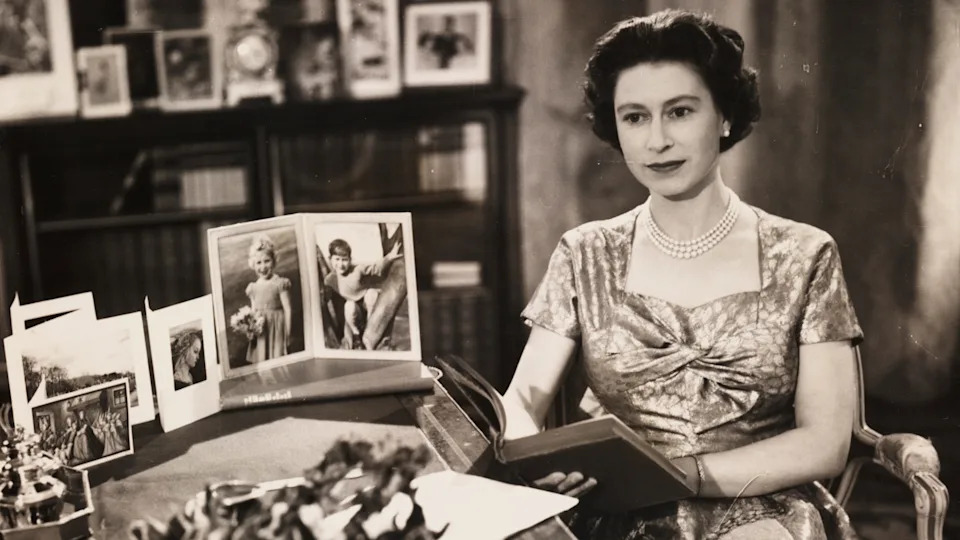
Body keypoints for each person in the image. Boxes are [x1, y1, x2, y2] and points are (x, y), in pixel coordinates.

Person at [501, 9, 862, 539]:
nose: (657, 141)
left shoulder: (804, 254)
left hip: (759, 508)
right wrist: (533, 459)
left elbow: (825, 442)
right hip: (617, 510)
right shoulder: (585, 253)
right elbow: (521, 401)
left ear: (725, 117)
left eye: (680, 111)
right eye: (635, 117)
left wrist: (681, 476)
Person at [324, 239, 403, 350]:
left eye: (344, 260)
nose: (341, 264)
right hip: (354, 309)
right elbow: (326, 296)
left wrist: (389, 257)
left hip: (366, 304)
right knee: (349, 305)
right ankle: (356, 335)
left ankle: (370, 327)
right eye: (337, 259)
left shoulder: (357, 270)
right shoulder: (330, 280)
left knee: (371, 293)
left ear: (350, 260)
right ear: (330, 259)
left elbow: (376, 268)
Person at [245, 234, 293, 363]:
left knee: (278, 359)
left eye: (267, 261)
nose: (263, 267)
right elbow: (253, 312)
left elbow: (288, 309)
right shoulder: (253, 288)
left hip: (277, 328)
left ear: (274, 261)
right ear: (253, 265)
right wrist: (251, 330)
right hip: (262, 330)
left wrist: (287, 334)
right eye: (258, 263)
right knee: (262, 359)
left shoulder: (280, 283)